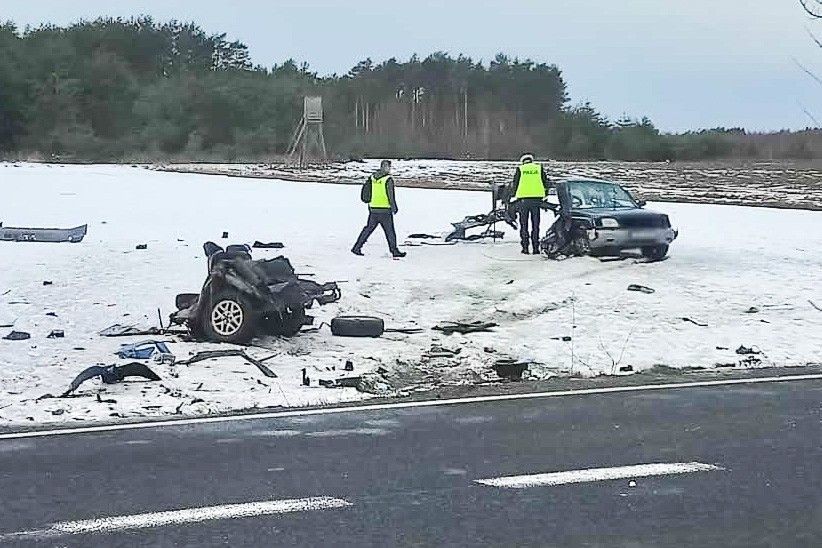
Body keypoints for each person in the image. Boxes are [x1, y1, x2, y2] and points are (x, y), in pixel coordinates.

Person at [351, 160, 407, 258]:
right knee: (390, 231)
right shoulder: (388, 179)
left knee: (368, 229)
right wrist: (394, 207)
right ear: (386, 167)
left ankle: (357, 247)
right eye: (389, 167)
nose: (390, 169)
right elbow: (391, 195)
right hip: (385, 209)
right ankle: (394, 250)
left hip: (373, 208)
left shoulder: (373, 177)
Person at [511, 153, 551, 254]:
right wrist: (545, 196)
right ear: (531, 160)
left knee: (524, 225)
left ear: (523, 161)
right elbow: (546, 183)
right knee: (535, 224)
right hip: (537, 200)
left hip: (523, 201)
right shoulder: (538, 168)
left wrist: (512, 197)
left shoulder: (520, 169)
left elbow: (515, 184)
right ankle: (536, 248)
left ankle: (525, 248)